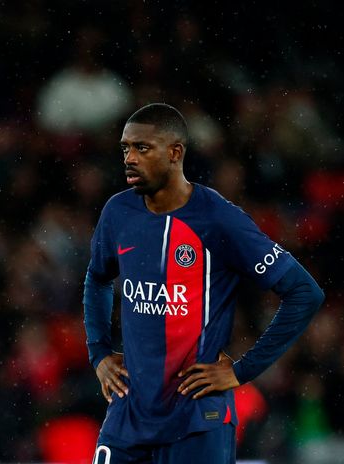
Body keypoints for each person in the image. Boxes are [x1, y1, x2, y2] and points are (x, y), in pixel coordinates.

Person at [83, 103, 324, 463]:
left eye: (142, 148)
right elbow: (97, 278)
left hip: (197, 420)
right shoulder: (118, 212)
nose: (129, 158)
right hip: (128, 416)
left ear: (175, 152)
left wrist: (242, 371)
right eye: (125, 148)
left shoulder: (218, 219)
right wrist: (99, 352)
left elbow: (304, 293)